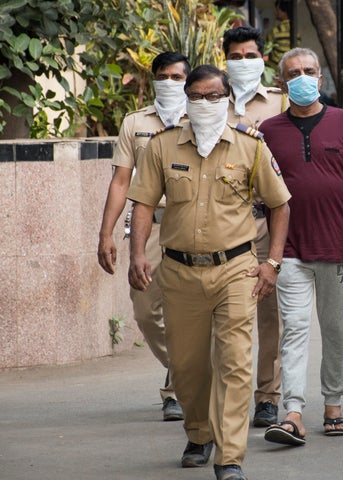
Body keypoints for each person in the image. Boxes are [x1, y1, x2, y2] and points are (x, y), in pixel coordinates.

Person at [127, 65, 291, 480]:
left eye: (214, 96)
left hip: (236, 269)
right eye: (196, 96)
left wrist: (271, 263)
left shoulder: (250, 146)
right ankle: (199, 433)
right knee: (188, 366)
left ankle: (230, 458)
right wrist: (136, 256)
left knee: (236, 363)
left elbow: (280, 205)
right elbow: (144, 204)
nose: (205, 103)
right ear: (185, 99)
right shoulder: (162, 147)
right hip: (179, 273)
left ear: (228, 99)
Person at [260, 47, 343, 446]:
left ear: (319, 79)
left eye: (309, 71)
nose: (302, 77)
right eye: (293, 73)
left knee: (336, 332)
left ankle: (333, 406)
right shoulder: (267, 131)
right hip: (290, 251)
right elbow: (258, 192)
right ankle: (293, 413)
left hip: (337, 247)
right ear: (282, 84)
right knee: (295, 331)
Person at [97, 51, 190, 422]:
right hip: (148, 223)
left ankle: (178, 388)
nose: (170, 83)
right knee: (146, 310)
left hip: (190, 222)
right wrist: (106, 232)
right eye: (163, 76)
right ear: (152, 80)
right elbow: (121, 181)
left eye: (177, 77)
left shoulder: (203, 114)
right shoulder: (135, 123)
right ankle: (188, 369)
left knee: (191, 308)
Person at [222, 25, 288, 429]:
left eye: (250, 55)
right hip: (223, 223)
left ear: (262, 58)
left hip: (266, 220)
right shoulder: (209, 100)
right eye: (235, 56)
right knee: (220, 316)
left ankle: (268, 396)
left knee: (268, 313)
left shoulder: (282, 103)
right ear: (224, 58)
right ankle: (216, 392)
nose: (243, 62)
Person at [265, 0, 291, 73]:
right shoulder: (296, 31)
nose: (276, 12)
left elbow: (267, 50)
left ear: (284, 11)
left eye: (277, 10)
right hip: (289, 66)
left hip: (275, 68)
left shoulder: (275, 31)